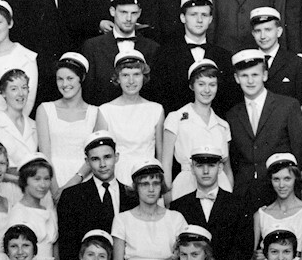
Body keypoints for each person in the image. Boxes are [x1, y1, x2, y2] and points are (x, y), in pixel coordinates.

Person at [222, 49, 302, 211]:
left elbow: (300, 150)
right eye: (244, 76)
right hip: (244, 194)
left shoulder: (287, 106)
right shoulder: (232, 114)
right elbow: (234, 158)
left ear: (265, 75)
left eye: (255, 75)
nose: (250, 81)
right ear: (236, 78)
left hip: (279, 192)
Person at [170, 150, 253, 260]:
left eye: (211, 166)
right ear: (192, 168)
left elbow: (244, 248)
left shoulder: (239, 204)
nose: (206, 171)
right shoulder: (179, 206)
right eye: (200, 166)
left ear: (220, 168)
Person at [35, 53, 106, 194]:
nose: (64, 84)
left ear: (81, 78)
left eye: (70, 78)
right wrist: (55, 189)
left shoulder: (95, 113)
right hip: (51, 181)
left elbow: (95, 155)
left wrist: (73, 184)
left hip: (83, 181)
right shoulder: (45, 109)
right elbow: (45, 155)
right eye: (60, 79)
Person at [163, 59, 234, 199]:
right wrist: (166, 194)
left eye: (212, 85)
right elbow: (166, 162)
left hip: (220, 186)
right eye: (201, 84)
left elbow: (227, 168)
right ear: (192, 86)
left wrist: (229, 193)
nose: (207, 90)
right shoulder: (176, 118)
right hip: (186, 185)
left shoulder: (223, 125)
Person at [82, 0, 159, 104]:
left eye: (134, 13)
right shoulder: (92, 46)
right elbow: (88, 91)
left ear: (140, 13)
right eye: (123, 12)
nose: (129, 18)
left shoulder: (152, 48)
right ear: (112, 11)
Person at [250, 154, 302, 260]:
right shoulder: (260, 214)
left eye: (287, 179)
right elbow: (248, 259)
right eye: (276, 179)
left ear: (295, 179)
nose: (281, 185)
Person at [101, 53, 164, 187]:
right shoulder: (105, 110)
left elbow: (161, 155)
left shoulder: (156, 109)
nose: (131, 81)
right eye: (125, 75)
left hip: (148, 179)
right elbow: (101, 153)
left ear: (143, 77)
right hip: (117, 179)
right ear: (117, 78)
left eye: (136, 74)